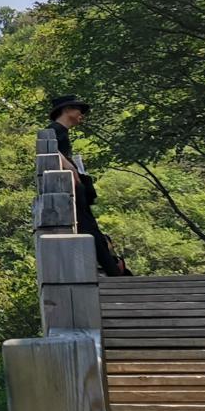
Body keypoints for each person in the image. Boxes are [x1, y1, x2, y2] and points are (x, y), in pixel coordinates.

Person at [46, 95, 132, 277]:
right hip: (70, 190)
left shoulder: (62, 132)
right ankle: (113, 270)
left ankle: (113, 268)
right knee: (88, 228)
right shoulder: (54, 130)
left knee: (90, 228)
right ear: (66, 110)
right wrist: (71, 169)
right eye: (79, 110)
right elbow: (48, 149)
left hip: (74, 190)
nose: (82, 115)